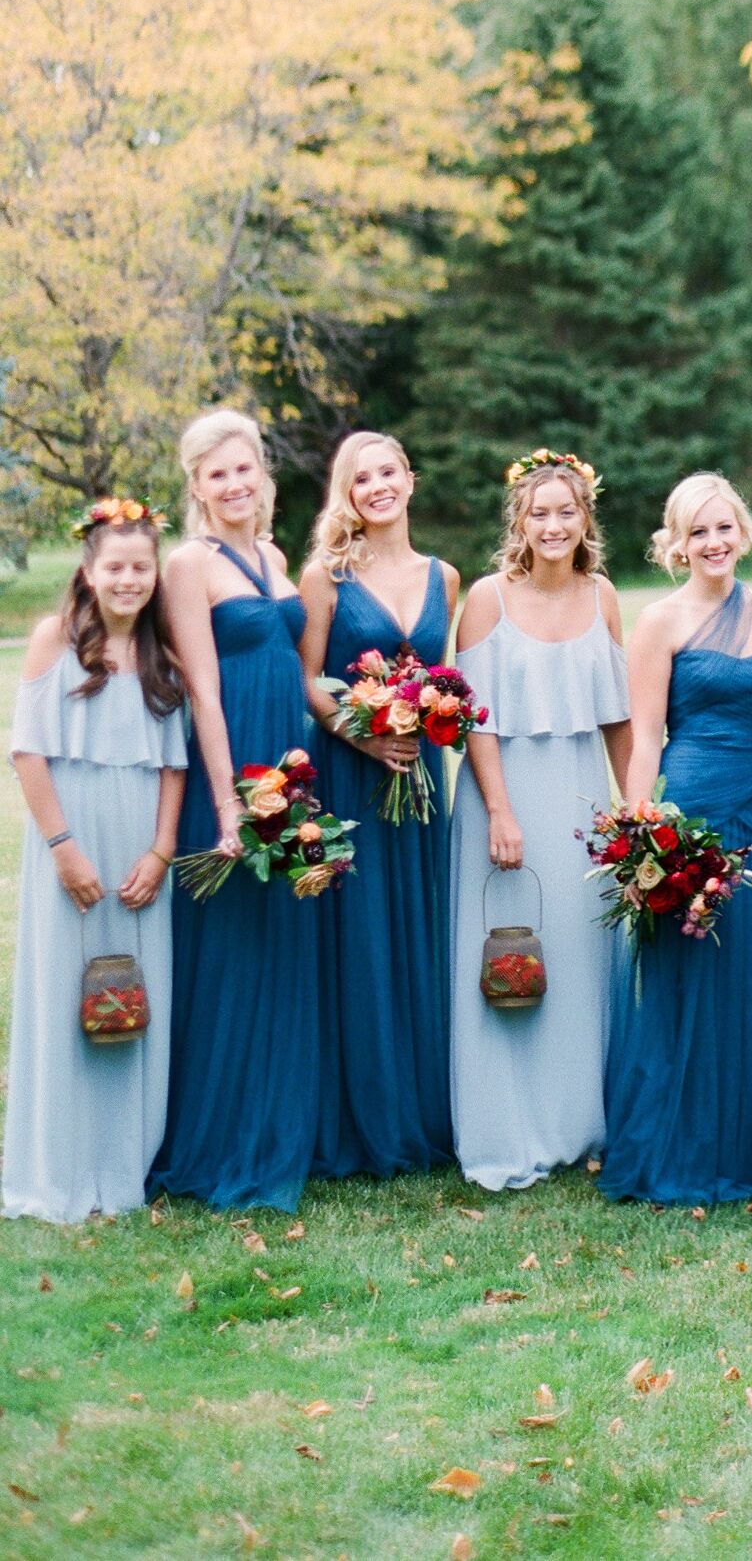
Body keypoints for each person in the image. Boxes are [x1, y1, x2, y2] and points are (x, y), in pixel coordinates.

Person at [600, 472, 752, 1204]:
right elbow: (645, 734)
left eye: (723, 528)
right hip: (689, 813)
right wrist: (638, 825)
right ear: (677, 544)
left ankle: (751, 1145)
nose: (713, 543)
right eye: (698, 532)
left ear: (742, 531)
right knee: (686, 975)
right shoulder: (660, 622)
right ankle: (678, 1143)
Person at [150, 407, 324, 1210]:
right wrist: (228, 803)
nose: (233, 484)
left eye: (243, 469)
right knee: (232, 952)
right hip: (233, 766)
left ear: (263, 473)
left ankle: (281, 1122)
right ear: (197, 485)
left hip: (288, 760)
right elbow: (204, 692)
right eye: (216, 474)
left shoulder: (275, 554)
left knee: (281, 942)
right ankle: (223, 1137)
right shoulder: (188, 565)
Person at [449, 450, 629, 1190]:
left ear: (585, 518)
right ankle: (507, 1128)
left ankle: (583, 1123)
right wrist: (499, 810)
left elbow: (620, 714)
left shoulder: (604, 595)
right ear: (518, 521)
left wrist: (635, 810)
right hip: (509, 792)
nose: (553, 525)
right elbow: (474, 718)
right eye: (540, 512)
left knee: (584, 961)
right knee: (510, 954)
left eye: (567, 511)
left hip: (584, 795)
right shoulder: (490, 598)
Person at [6, 500, 187, 1222]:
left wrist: (162, 850)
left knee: (135, 997)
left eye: (141, 568)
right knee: (67, 991)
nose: (128, 580)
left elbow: (174, 766)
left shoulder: (159, 650)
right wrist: (63, 848)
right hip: (75, 837)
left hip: (140, 842)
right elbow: (27, 750)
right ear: (89, 570)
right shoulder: (58, 638)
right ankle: (58, 1169)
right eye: (115, 567)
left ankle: (122, 1166)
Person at [298, 431, 457, 1177]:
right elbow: (307, 680)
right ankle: (361, 1120)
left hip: (420, 778)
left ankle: (421, 1109)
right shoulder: (327, 577)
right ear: (348, 493)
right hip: (352, 775)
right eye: (361, 479)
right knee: (359, 938)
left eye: (388, 471)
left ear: (410, 479)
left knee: (417, 933)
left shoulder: (444, 577)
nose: (377, 487)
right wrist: (360, 736)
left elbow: (442, 678)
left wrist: (433, 716)